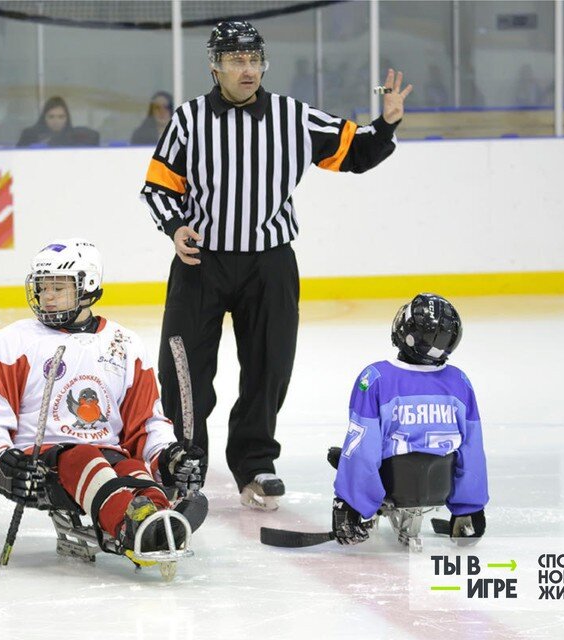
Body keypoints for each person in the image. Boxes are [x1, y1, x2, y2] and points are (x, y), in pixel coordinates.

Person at [139, 20, 412, 511]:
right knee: (183, 369)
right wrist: (176, 226)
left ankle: (255, 462)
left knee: (269, 366)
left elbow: (356, 150)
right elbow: (158, 186)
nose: (247, 69)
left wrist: (387, 123)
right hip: (201, 261)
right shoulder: (188, 119)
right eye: (236, 60)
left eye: (253, 59)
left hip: (269, 265)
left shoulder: (294, 117)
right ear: (215, 66)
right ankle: (186, 461)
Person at [0, 238, 204, 561]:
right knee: (84, 458)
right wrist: (1, 460)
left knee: (129, 467)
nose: (46, 296)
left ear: (88, 287)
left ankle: (159, 518)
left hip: (107, 455)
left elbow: (146, 422)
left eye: (58, 287)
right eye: (42, 287)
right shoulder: (14, 340)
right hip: (40, 463)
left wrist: (167, 456)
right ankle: (129, 527)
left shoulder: (124, 343)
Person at [331, 294, 488, 545]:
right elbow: (472, 449)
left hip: (393, 483)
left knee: (349, 452)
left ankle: (360, 499)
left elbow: (363, 445)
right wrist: (470, 508)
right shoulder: (460, 381)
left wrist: (348, 504)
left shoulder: (375, 377)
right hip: (440, 484)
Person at [17, 96, 99, 148]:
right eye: (51, 117)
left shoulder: (76, 137)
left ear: (67, 118)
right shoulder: (30, 136)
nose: (56, 121)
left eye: (61, 117)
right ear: (44, 118)